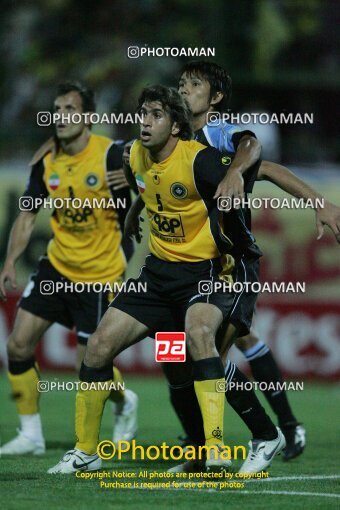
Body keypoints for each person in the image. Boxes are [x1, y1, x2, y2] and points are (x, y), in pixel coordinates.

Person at [47, 84, 287, 474]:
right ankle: (87, 450)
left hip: (205, 273)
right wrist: (130, 216)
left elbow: (262, 165)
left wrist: (313, 201)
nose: (145, 122)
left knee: (198, 341)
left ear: (176, 126)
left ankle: (219, 448)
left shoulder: (202, 161)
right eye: (143, 113)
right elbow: (146, 186)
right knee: (101, 348)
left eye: (156, 115)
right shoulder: (135, 155)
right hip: (156, 277)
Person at [124, 61, 340, 467]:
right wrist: (136, 208)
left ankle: (273, 431)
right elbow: (158, 180)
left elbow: (260, 155)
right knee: (175, 359)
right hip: (182, 271)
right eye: (181, 84)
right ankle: (202, 444)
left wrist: (316, 201)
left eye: (195, 85)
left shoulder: (219, 135)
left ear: (216, 97)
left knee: (207, 354)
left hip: (226, 266)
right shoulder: (172, 137)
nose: (184, 91)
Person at [0, 81, 138, 456]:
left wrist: (134, 178)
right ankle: (31, 434)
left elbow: (162, 172)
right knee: (17, 344)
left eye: (70, 110)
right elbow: (27, 215)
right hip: (58, 267)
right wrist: (10, 260)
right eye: (57, 110)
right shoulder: (46, 161)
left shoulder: (114, 154)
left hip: (101, 273)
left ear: (89, 117)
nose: (60, 117)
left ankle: (124, 401)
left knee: (88, 365)